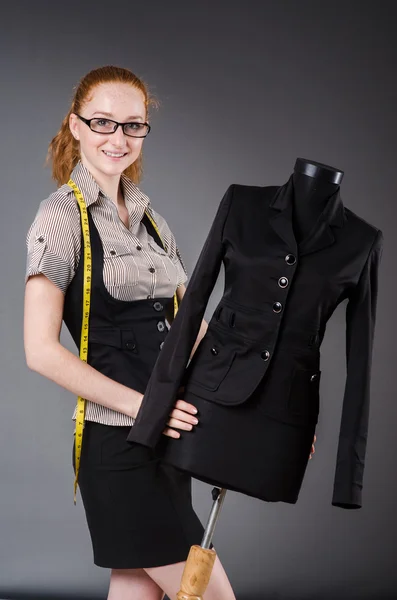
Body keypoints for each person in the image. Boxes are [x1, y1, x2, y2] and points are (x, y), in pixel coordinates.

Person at [23, 65, 237, 600]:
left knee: (138, 592)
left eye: (132, 125)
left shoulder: (152, 222)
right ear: (75, 126)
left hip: (166, 443)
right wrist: (146, 407)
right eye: (102, 122)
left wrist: (266, 407)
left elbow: (193, 330)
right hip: (118, 445)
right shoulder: (59, 218)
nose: (118, 139)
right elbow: (40, 352)